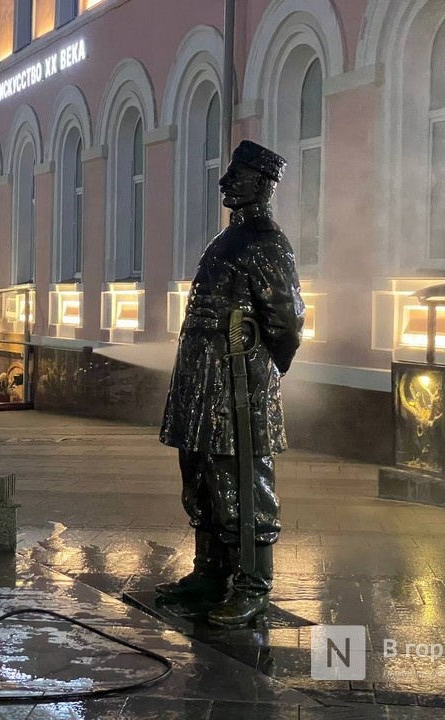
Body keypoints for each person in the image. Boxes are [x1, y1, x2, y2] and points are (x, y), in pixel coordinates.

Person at [157, 140, 305, 627]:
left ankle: (253, 584)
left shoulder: (265, 242)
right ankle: (211, 574)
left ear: (261, 185)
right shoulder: (226, 241)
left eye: (235, 176)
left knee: (241, 485)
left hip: (236, 389)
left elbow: (286, 321)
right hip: (202, 384)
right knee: (200, 482)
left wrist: (260, 372)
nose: (225, 183)